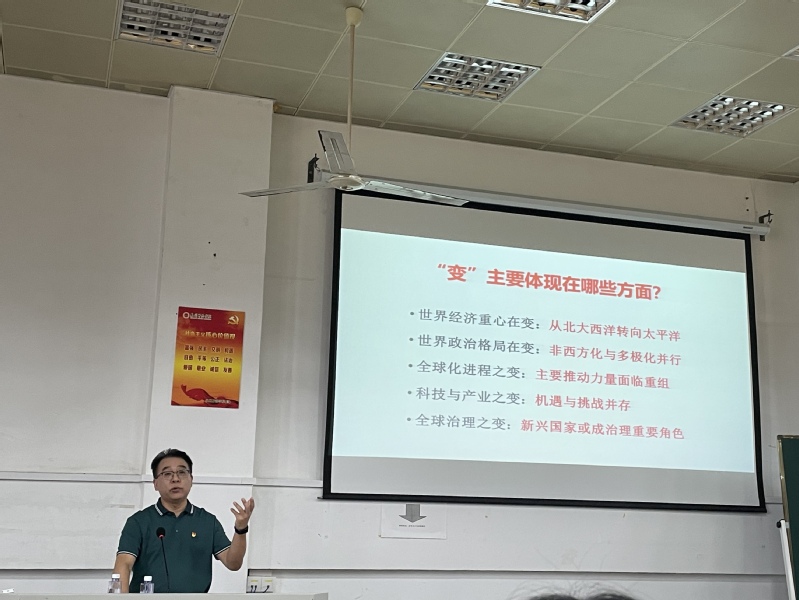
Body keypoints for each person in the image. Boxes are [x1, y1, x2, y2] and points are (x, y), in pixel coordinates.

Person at [112, 448, 255, 593]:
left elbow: (233, 563)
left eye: (182, 472)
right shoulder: (138, 522)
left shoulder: (207, 521)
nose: (175, 479)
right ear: (155, 483)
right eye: (167, 474)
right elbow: (124, 564)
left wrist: (241, 529)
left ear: (191, 479)